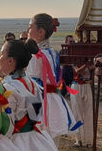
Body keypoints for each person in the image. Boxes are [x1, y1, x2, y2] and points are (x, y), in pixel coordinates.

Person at [26, 13, 81, 143]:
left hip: (39, 98)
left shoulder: (38, 56)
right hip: (49, 96)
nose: (28, 30)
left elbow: (32, 77)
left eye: (30, 27)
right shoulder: (51, 52)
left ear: (40, 32)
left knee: (39, 135)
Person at [70, 62, 94, 147]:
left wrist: (92, 66)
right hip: (76, 86)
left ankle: (89, 141)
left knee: (89, 113)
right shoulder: (74, 59)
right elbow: (78, 71)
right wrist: (87, 64)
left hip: (87, 85)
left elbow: (92, 69)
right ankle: (79, 139)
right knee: (77, 113)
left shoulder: (91, 59)